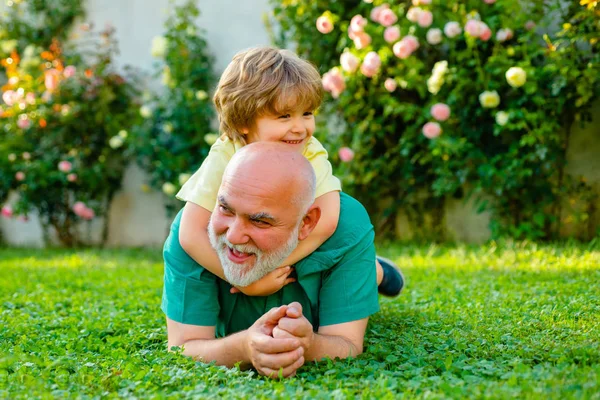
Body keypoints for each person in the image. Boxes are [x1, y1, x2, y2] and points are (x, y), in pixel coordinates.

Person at [175, 46, 403, 297]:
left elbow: (326, 222)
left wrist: (272, 266)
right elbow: (189, 232)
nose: (300, 128)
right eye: (284, 116)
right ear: (243, 121)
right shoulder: (227, 154)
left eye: (306, 114)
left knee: (331, 253)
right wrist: (245, 283)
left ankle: (375, 271)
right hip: (251, 244)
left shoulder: (308, 150)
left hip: (298, 241)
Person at [163, 142, 379, 377]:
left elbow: (348, 343)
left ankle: (377, 271)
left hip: (347, 253)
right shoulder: (193, 232)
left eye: (259, 221)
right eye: (225, 208)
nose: (234, 235)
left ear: (307, 223)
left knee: (371, 275)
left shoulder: (346, 229)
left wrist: (310, 344)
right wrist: (244, 347)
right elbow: (182, 347)